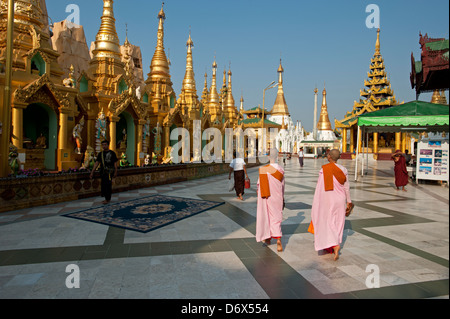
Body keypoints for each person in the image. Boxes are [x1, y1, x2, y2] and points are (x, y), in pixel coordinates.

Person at [309, 149, 353, 261]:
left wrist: (317, 201)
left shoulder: (324, 170)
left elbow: (320, 188)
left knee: (328, 221)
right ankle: (336, 243)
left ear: (329, 156)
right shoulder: (343, 169)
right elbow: (346, 187)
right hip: (340, 200)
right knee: (339, 222)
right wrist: (349, 201)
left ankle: (334, 244)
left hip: (328, 199)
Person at [256, 148, 285, 252]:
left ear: (268, 157)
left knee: (267, 216)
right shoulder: (281, 169)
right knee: (276, 218)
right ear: (277, 156)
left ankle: (267, 238)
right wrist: (282, 197)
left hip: (266, 196)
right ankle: (278, 241)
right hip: (277, 197)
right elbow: (282, 186)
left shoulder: (264, 169)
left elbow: (259, 186)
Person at [90, 140, 118, 204]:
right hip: (103, 172)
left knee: (108, 185)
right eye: (103, 145)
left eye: (105, 145)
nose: (104, 146)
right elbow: (96, 163)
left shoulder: (112, 153)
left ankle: (107, 199)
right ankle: (106, 198)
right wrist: (92, 172)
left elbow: (115, 163)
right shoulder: (100, 154)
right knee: (103, 185)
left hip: (110, 172)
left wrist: (116, 171)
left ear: (108, 145)